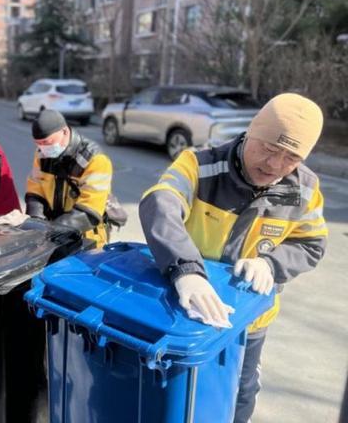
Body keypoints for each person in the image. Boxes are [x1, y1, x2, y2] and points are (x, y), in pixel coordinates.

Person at [138, 93, 327, 423]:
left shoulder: (305, 190)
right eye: (267, 148)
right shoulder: (199, 165)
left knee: (241, 390)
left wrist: (271, 263)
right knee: (181, 394)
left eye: (291, 157)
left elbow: (311, 243)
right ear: (251, 130)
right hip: (190, 314)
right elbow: (160, 202)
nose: (274, 165)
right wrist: (186, 270)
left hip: (250, 323)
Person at [25, 109, 113, 248]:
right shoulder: (42, 155)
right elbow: (35, 190)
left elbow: (89, 210)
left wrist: (53, 231)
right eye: (38, 143)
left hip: (86, 237)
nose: (42, 148)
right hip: (52, 234)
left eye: (47, 142)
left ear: (65, 132)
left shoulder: (95, 159)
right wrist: (36, 222)